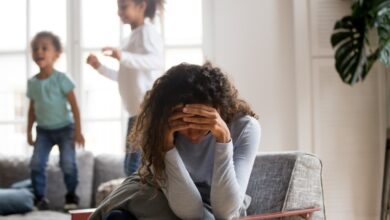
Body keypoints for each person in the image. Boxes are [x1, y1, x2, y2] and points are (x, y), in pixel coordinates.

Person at [89, 62, 261, 220]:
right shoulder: (160, 126)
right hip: (160, 193)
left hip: (215, 202)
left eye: (200, 121)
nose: (193, 134)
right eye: (184, 124)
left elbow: (226, 212)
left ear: (218, 109)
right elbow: (190, 211)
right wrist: (167, 146)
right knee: (118, 217)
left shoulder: (245, 127)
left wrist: (223, 140)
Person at [86, 0, 164, 176]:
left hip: (147, 111)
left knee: (133, 167)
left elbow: (156, 61)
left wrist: (123, 56)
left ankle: (134, 201)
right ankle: (132, 201)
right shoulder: (129, 39)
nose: (119, 12)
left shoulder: (147, 32)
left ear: (141, 6)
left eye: (123, 7)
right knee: (129, 166)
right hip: (135, 112)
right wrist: (99, 67)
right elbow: (123, 77)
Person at [27, 31, 85, 211]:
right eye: (35, 48)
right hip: (43, 131)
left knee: (68, 163)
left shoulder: (62, 79)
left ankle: (71, 195)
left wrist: (78, 131)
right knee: (36, 164)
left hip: (65, 129)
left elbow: (75, 106)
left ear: (56, 55)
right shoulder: (32, 83)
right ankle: (39, 198)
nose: (39, 52)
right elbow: (32, 110)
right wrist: (29, 131)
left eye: (45, 48)